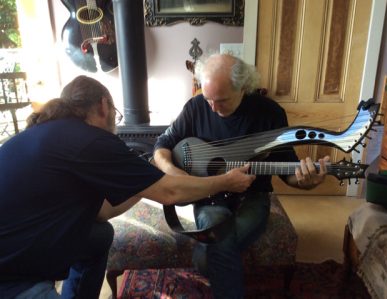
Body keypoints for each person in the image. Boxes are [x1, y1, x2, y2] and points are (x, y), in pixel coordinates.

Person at [0, 75, 256, 299]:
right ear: (104, 105)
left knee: (99, 235)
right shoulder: (92, 140)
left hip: (17, 245)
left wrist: (145, 182)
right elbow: (171, 192)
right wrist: (226, 181)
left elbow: (101, 212)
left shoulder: (53, 133)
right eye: (115, 112)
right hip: (13, 277)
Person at [153, 53, 330, 298]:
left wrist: (306, 181)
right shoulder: (196, 106)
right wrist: (176, 174)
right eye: (208, 99)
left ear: (244, 88)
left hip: (252, 197)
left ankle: (204, 256)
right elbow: (161, 145)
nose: (212, 107)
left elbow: (287, 168)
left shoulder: (270, 114)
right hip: (208, 196)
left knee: (214, 247)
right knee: (220, 236)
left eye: (222, 100)